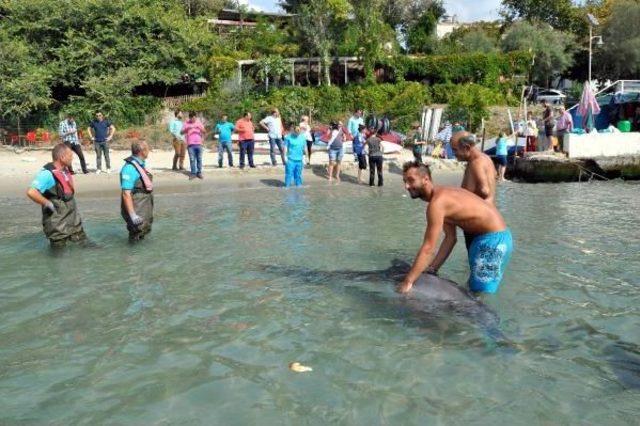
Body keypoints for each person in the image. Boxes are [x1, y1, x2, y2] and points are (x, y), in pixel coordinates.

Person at [398, 161, 513, 294]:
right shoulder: (442, 197)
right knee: (473, 290)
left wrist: (408, 282)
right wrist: (433, 268)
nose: (406, 186)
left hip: (493, 241)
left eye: (411, 180)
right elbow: (450, 238)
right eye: (405, 181)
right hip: (485, 239)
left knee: (481, 295)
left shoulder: (437, 203)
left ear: (425, 179)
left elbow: (428, 248)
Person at [26, 144, 87, 248]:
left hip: (73, 221)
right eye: (70, 156)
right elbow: (31, 192)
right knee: (59, 256)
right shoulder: (47, 174)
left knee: (85, 245)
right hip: (57, 225)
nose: (72, 158)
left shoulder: (65, 170)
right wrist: (47, 203)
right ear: (62, 158)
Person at [451, 131, 498, 251]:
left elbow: (485, 190)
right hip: (486, 222)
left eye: (455, 150)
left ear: (466, 148)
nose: (453, 153)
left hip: (479, 225)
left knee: (477, 264)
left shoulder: (476, 162)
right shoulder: (486, 158)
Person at [120, 141, 153, 242]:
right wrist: (132, 215)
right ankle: (132, 255)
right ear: (141, 151)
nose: (149, 151)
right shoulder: (129, 168)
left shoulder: (140, 163)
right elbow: (126, 193)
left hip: (143, 204)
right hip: (137, 206)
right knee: (136, 234)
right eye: (147, 149)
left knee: (143, 232)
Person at [182, 112, 205, 180]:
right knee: (192, 159)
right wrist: (187, 129)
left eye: (195, 117)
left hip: (199, 144)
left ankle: (199, 172)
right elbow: (181, 132)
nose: (193, 119)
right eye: (192, 118)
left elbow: (204, 131)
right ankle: (193, 173)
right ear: (190, 118)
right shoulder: (186, 123)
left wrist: (200, 128)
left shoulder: (199, 123)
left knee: (199, 159)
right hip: (190, 144)